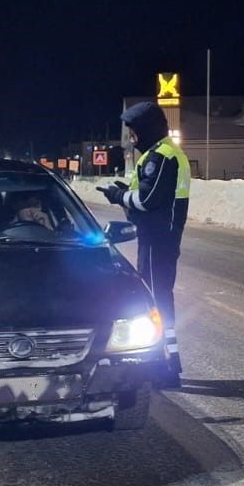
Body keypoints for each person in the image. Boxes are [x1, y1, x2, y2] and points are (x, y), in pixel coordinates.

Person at [99, 101, 187, 386]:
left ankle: (164, 366)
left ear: (146, 129)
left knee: (154, 299)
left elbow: (148, 201)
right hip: (159, 238)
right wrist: (128, 193)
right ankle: (168, 361)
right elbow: (150, 196)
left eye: (134, 131)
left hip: (157, 239)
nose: (132, 138)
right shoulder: (163, 154)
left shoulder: (160, 157)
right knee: (159, 297)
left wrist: (118, 196)